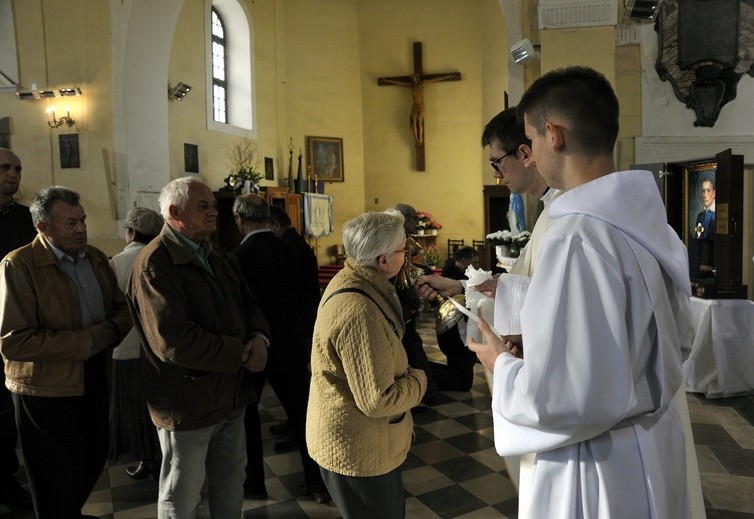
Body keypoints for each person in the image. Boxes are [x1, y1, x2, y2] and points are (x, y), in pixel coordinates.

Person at [468, 66, 693, 518]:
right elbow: (673, 338)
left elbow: (563, 399)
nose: (529, 154)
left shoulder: (578, 237)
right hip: (652, 442)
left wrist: (503, 365)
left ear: (553, 134)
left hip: (599, 465)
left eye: (531, 138)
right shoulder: (649, 222)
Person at [126, 177, 270, 518]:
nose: (213, 213)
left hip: (230, 396)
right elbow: (173, 341)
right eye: (202, 206)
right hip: (187, 402)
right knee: (182, 493)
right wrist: (240, 352)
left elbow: (249, 304)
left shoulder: (215, 255)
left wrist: (261, 338)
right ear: (174, 212)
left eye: (213, 206)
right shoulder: (154, 264)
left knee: (231, 483)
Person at [0, 186, 131, 518]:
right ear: (43, 227)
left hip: (93, 375)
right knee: (52, 474)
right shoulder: (20, 265)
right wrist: (88, 340)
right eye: (71, 223)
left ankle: (66, 512)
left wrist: (113, 331)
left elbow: (123, 309)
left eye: (83, 220)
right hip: (44, 387)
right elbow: (15, 342)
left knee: (94, 453)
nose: (81, 229)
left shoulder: (97, 258)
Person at [306, 209, 427, 519]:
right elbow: (377, 400)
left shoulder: (356, 279)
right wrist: (419, 382)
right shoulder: (359, 311)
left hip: (361, 441)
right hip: (358, 450)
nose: (408, 256)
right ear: (383, 261)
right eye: (403, 250)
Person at [229, 195, 329, 503]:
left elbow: (237, 309)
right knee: (303, 417)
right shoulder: (294, 252)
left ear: (240, 220)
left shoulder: (236, 257)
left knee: (248, 418)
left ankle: (254, 484)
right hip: (291, 346)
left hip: (253, 349)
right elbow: (309, 298)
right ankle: (316, 483)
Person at [109, 207, 164, 480]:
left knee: (134, 411)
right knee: (160, 405)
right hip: (159, 347)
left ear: (130, 233)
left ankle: (147, 459)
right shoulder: (163, 257)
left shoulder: (116, 261)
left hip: (127, 346)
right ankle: (164, 457)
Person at [0, 147, 36, 511]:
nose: (13, 173)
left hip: (23, 329)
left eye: (17, 168)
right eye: (5, 168)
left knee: (10, 415)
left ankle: (8, 480)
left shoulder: (27, 219)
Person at [267, 204, 321, 440]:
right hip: (302, 318)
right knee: (295, 379)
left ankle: (301, 427)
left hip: (300, 320)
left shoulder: (289, 247)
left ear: (276, 225)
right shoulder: (293, 242)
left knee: (297, 381)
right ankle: (294, 422)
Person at [394, 203, 438, 405]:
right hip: (401, 307)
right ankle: (423, 392)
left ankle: (423, 390)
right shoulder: (397, 240)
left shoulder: (401, 239)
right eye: (414, 220)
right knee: (411, 349)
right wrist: (412, 302)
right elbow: (400, 277)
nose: (416, 224)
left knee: (412, 348)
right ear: (404, 219)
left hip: (404, 306)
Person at [429, 246, 479, 392]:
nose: (477, 266)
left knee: (460, 374)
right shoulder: (453, 277)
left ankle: (424, 369)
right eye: (474, 262)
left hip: (457, 334)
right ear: (463, 261)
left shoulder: (456, 273)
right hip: (455, 335)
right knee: (462, 383)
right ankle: (422, 373)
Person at [380, 73, 457, 146]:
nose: (412, 79)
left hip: (420, 105)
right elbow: (400, 83)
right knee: (413, 123)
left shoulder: (422, 83)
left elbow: (436, 79)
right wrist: (386, 80)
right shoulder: (411, 85)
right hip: (414, 106)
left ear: (417, 77)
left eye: (413, 77)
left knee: (419, 122)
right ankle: (417, 140)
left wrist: (450, 76)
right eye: (412, 78)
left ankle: (420, 139)